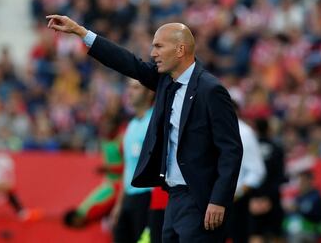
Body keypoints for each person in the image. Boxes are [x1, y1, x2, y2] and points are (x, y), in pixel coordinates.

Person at [46, 15, 243, 242]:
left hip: (200, 199)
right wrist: (81, 32)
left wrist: (218, 199)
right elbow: (128, 63)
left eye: (159, 46)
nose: (153, 53)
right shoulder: (165, 81)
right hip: (173, 196)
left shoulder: (211, 90)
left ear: (180, 50)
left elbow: (231, 150)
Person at [110, 79, 154, 243]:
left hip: (147, 198)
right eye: (129, 87)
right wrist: (119, 204)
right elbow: (128, 167)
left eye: (136, 87)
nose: (129, 92)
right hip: (129, 197)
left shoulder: (154, 123)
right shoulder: (131, 126)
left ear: (150, 93)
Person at [228, 100, 266, 243]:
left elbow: (257, 171)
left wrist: (237, 193)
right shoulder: (211, 129)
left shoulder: (244, 132)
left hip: (235, 200)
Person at [248, 118, 286, 243]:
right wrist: (268, 198)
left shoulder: (249, 149)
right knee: (275, 233)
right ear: (269, 130)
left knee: (255, 233)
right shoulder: (277, 148)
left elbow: (247, 175)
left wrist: (255, 198)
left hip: (253, 200)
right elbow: (280, 176)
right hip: (272, 199)